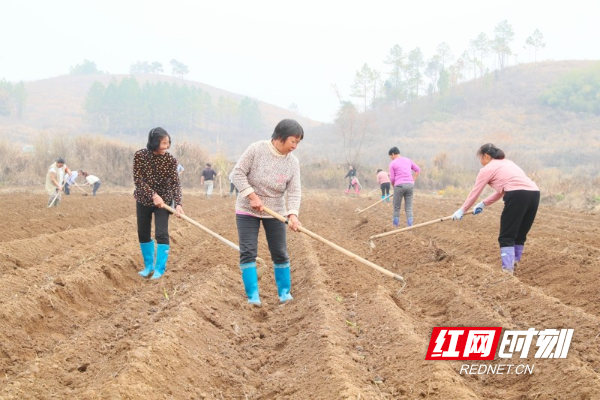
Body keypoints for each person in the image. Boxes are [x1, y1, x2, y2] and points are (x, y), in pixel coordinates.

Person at [232, 119, 303, 306]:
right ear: (280, 137)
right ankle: (253, 296)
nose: (295, 146)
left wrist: (293, 214)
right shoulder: (256, 149)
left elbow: (294, 191)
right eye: (293, 141)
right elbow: (236, 174)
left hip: (275, 211)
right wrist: (252, 196)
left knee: (279, 252)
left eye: (298, 142)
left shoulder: (292, 163)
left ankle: (284, 294)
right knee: (248, 251)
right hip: (247, 209)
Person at [452, 143, 540, 275]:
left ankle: (507, 272)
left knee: (506, 235)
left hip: (517, 195)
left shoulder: (487, 169)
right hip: (534, 193)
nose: (481, 162)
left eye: (480, 158)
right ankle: (514, 263)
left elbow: (475, 191)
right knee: (520, 234)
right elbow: (503, 190)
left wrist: (462, 210)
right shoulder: (508, 163)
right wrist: (483, 203)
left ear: (486, 156)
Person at [133, 127, 184, 280]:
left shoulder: (170, 160)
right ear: (154, 142)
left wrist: (178, 204)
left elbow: (175, 183)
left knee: (161, 233)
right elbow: (138, 180)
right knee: (143, 232)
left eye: (168, 143)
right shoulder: (140, 156)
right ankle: (149, 266)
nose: (166, 146)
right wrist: (153, 195)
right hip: (144, 199)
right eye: (163, 143)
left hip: (164, 202)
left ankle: (159, 269)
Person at [389, 147, 420, 227]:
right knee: (409, 207)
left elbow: (392, 178)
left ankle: (395, 226)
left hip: (399, 185)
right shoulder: (408, 160)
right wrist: (413, 181)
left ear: (393, 154)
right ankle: (410, 226)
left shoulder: (393, 163)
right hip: (410, 185)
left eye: (390, 157)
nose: (391, 158)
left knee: (396, 207)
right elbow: (417, 170)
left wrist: (394, 187)